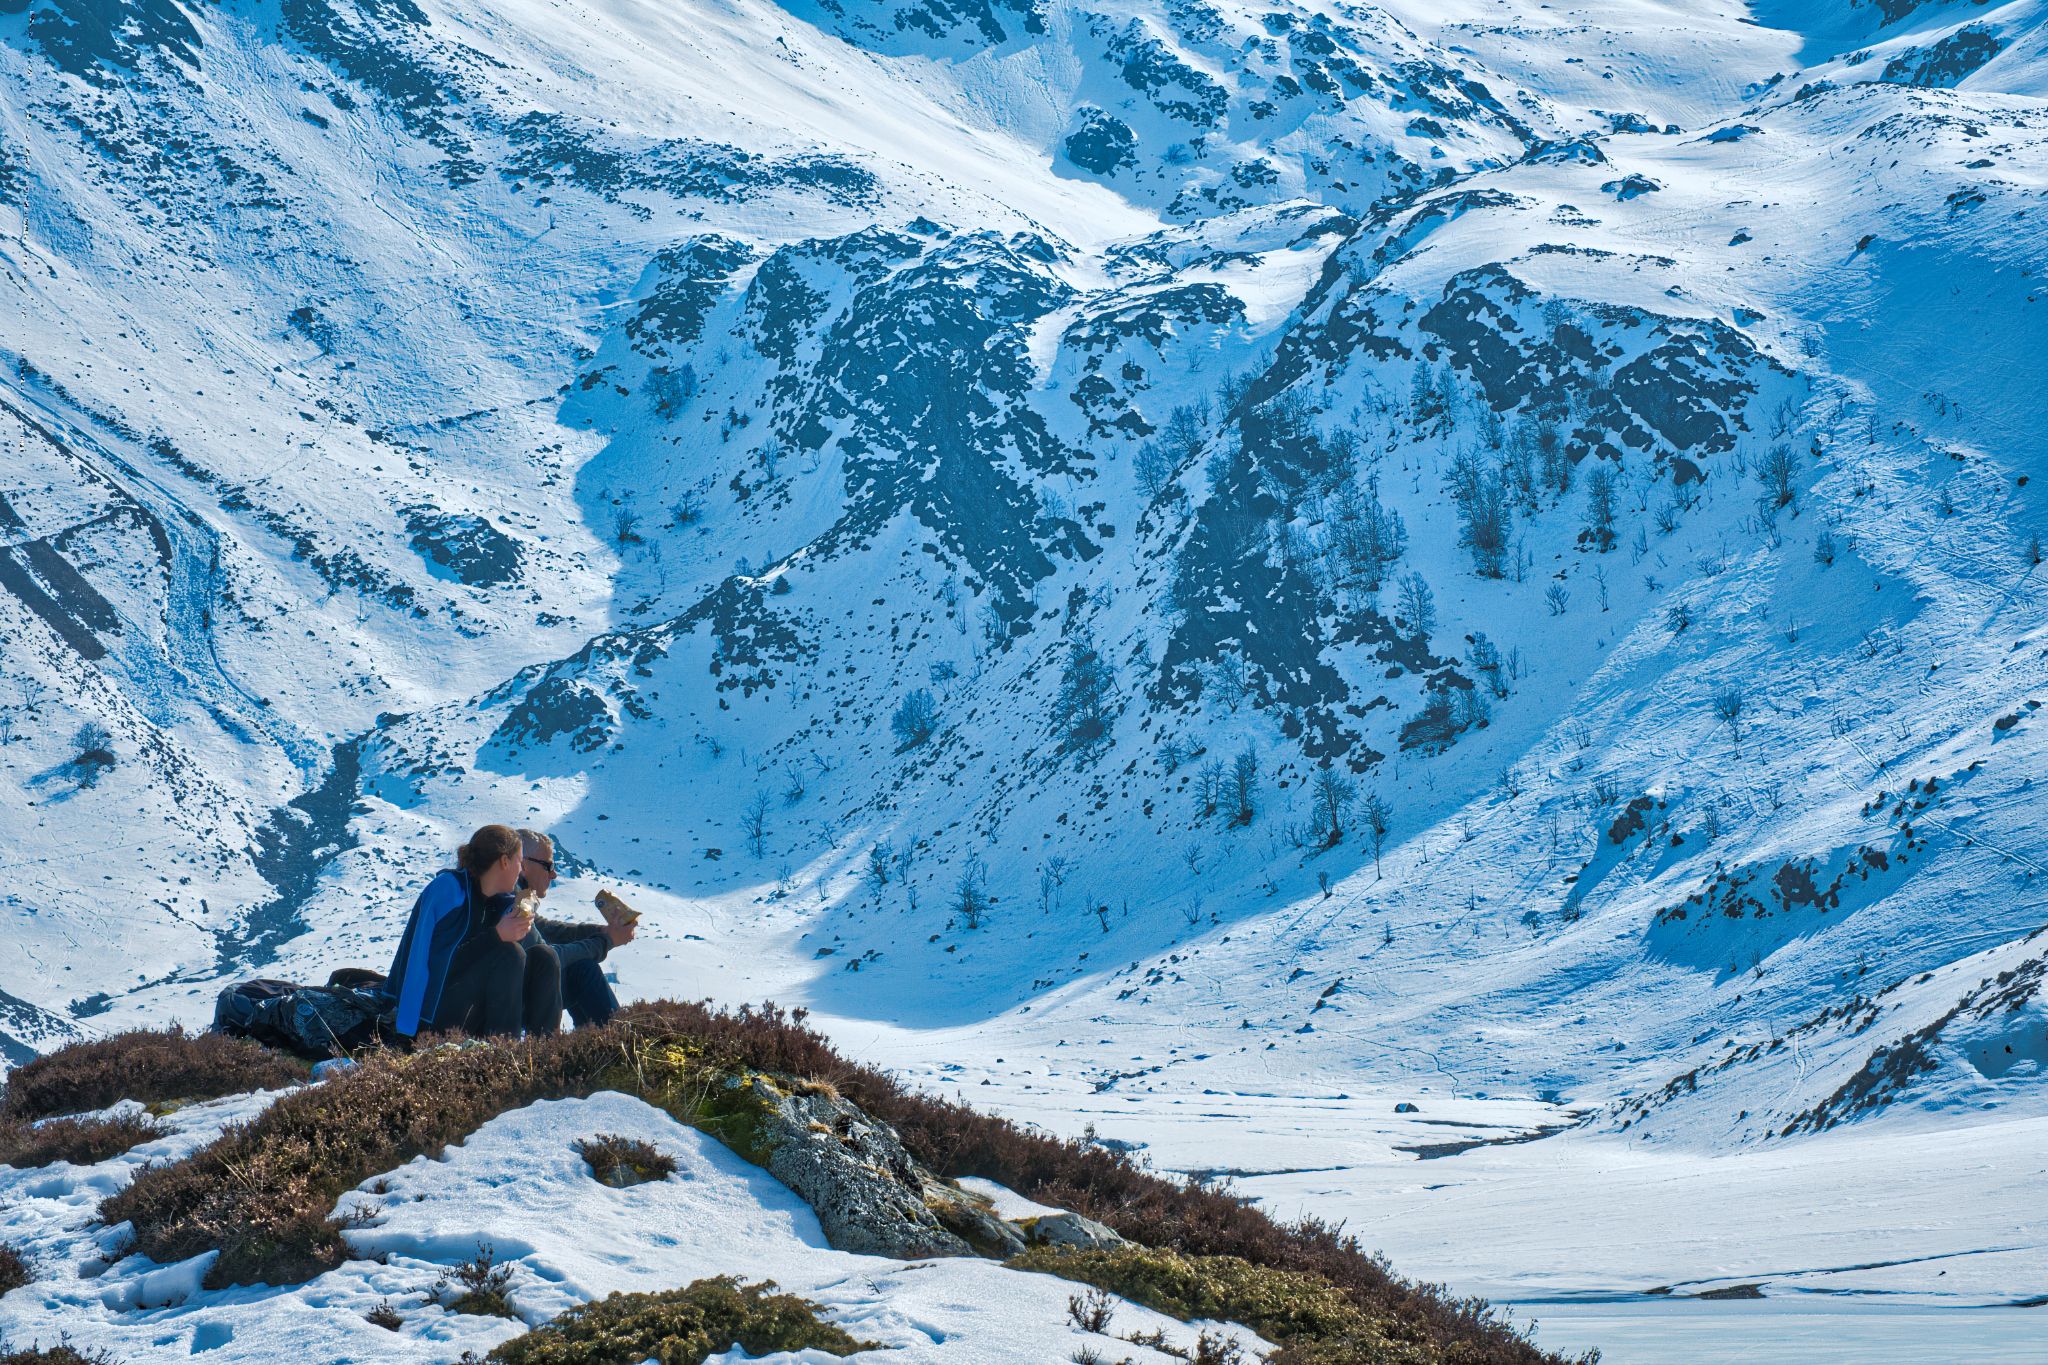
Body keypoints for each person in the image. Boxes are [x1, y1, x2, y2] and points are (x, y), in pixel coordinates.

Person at [384, 824, 562, 1039]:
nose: (521, 870)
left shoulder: (500, 901)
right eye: (519, 862)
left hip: (474, 1008)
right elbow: (437, 965)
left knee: (545, 956)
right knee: (509, 954)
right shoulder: (449, 890)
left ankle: (545, 1051)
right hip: (432, 1017)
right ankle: (503, 1054)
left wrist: (519, 922)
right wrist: (496, 937)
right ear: (505, 862)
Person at [516, 829, 634, 1027]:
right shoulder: (516, 898)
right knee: (583, 971)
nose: (553, 874)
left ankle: (589, 1046)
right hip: (509, 1002)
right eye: (548, 866)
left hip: (509, 994)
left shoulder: (521, 894)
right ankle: (618, 1043)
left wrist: (601, 932)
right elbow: (548, 957)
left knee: (579, 969)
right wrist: (606, 941)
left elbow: (542, 928)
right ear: (523, 865)